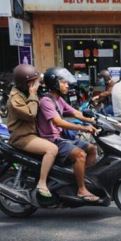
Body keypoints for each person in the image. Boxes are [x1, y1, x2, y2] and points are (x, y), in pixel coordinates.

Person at [37, 67, 99, 202]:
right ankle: (81, 190)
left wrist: (95, 120)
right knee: (80, 154)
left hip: (60, 138)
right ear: (54, 83)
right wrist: (83, 128)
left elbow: (76, 113)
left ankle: (79, 177)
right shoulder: (46, 101)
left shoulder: (59, 99)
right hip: (51, 140)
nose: (67, 85)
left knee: (92, 149)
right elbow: (58, 122)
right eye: (64, 82)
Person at [7, 64, 58, 199]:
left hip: (33, 134)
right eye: (33, 81)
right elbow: (30, 113)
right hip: (22, 137)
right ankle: (42, 183)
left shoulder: (25, 93)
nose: (37, 84)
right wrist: (33, 94)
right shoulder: (15, 98)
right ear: (24, 82)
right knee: (51, 149)